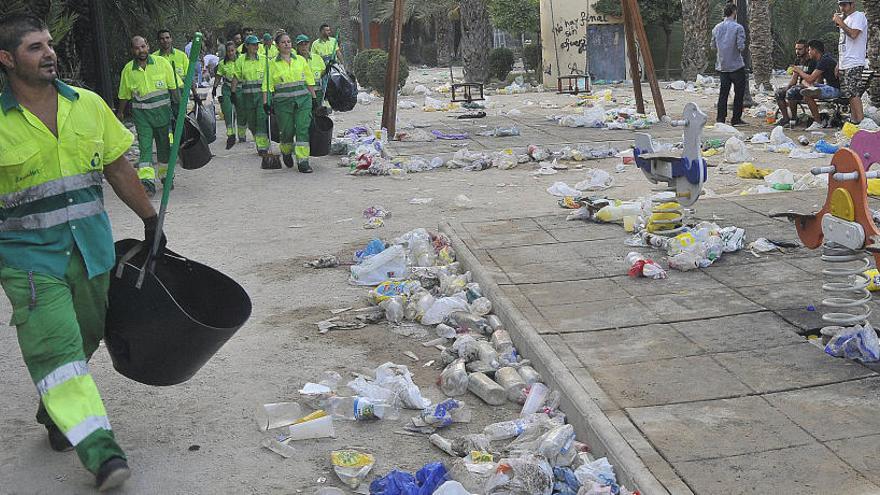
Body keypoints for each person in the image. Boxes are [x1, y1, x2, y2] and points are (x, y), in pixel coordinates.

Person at [0, 14, 166, 491]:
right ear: (8, 59)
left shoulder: (87, 105)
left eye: (50, 45)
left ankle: (55, 411)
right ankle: (102, 452)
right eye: (35, 48)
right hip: (29, 261)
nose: (49, 53)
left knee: (86, 336)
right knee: (56, 344)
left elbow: (116, 167)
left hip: (91, 251)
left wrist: (150, 219)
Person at [117, 35, 179, 196]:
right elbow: (124, 95)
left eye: (143, 47)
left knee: (164, 147)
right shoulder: (128, 70)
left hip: (163, 115)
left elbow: (174, 90)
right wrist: (120, 112)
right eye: (137, 48)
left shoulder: (162, 64)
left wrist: (179, 111)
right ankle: (147, 182)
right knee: (144, 148)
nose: (141, 50)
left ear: (148, 47)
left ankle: (166, 177)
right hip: (142, 117)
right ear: (132, 50)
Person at [263, 33, 317, 172]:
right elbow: (266, 86)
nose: (287, 44)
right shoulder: (272, 65)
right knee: (286, 131)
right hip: (282, 103)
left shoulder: (300, 60)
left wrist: (314, 98)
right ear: (277, 45)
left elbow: (309, 80)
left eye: (289, 41)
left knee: (302, 129)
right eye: (283, 42)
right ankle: (286, 152)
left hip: (303, 101)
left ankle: (303, 161)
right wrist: (266, 103)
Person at [232, 35, 269, 158]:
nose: (256, 47)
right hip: (247, 96)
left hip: (261, 95)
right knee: (252, 122)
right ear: (246, 46)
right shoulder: (240, 60)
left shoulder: (265, 60)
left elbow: (270, 78)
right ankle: (260, 140)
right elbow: (236, 77)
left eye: (257, 44)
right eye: (253, 44)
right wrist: (232, 93)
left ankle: (262, 147)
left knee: (261, 119)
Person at [712, 3, 747, 126]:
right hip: (736, 66)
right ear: (734, 12)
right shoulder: (738, 28)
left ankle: (720, 118)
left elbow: (713, 46)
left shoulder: (716, 28)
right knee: (739, 94)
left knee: (723, 94)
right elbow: (741, 47)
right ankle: (736, 119)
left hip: (723, 66)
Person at [834, 0, 868, 123]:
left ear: (852, 4)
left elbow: (854, 34)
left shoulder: (859, 16)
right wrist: (839, 63)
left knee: (854, 93)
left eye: (844, 5)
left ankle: (861, 122)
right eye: (840, 5)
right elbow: (843, 44)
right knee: (849, 94)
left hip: (854, 62)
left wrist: (840, 23)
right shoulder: (846, 20)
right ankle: (854, 121)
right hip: (845, 62)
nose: (842, 8)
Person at [797, 40, 841, 129]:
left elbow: (810, 78)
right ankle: (811, 88)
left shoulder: (824, 60)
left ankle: (818, 122)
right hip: (828, 86)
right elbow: (816, 80)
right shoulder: (822, 59)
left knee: (807, 95)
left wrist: (799, 71)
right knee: (804, 82)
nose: (808, 52)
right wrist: (813, 85)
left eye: (809, 50)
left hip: (835, 89)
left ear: (815, 50)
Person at [773, 39, 814, 126]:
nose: (797, 52)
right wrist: (787, 87)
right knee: (779, 93)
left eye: (800, 49)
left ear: (807, 49)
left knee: (792, 92)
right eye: (796, 49)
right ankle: (785, 118)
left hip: (809, 86)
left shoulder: (812, 61)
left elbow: (814, 79)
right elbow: (794, 79)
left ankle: (794, 118)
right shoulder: (797, 61)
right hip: (799, 86)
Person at [213, 41, 241, 149]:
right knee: (227, 110)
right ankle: (230, 134)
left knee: (241, 112)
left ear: (235, 50)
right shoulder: (222, 63)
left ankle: (242, 134)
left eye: (232, 50)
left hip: (240, 88)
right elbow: (218, 76)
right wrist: (214, 88)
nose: (230, 53)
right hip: (227, 89)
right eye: (228, 51)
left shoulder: (241, 60)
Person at [296, 35, 326, 106]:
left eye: (305, 44)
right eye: (301, 44)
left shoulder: (317, 58)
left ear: (309, 44)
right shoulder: (294, 60)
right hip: (302, 94)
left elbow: (323, 73)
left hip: (318, 93)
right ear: (297, 46)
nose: (304, 46)